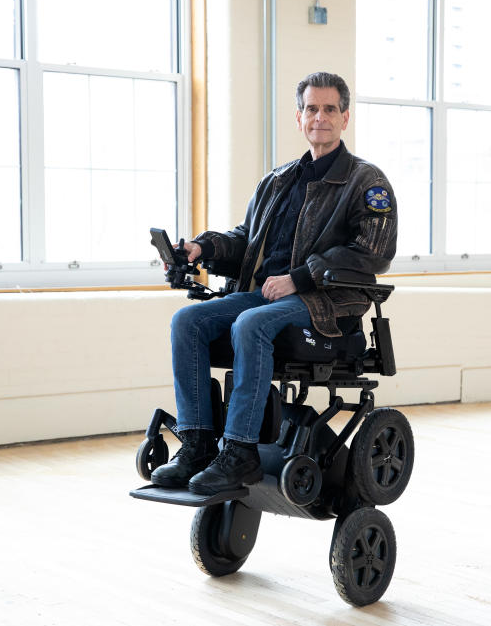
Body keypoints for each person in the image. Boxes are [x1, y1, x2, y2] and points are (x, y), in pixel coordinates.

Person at [151, 72, 398, 496]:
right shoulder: (278, 180)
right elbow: (246, 239)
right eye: (311, 109)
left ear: (345, 118)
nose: (320, 117)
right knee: (187, 321)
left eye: (330, 109)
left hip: (326, 304)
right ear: (298, 117)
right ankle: (197, 443)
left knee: (251, 324)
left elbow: (374, 251)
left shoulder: (366, 182)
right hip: (265, 294)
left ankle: (240, 451)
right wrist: (201, 247)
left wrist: (299, 279)